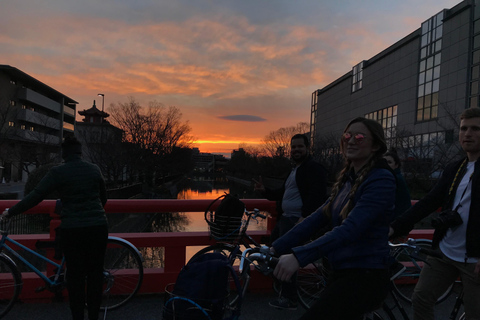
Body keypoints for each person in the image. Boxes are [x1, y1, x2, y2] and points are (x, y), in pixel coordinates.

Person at [271, 117, 396, 319]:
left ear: (375, 145)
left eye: (360, 136)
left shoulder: (381, 179)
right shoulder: (349, 178)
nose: (351, 140)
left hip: (365, 276)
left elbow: (350, 229)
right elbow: (319, 217)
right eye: (347, 135)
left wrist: (298, 257)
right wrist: (275, 247)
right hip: (341, 272)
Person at [1, 136, 108, 320]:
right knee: (95, 275)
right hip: (98, 226)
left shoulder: (58, 172)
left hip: (73, 229)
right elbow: (103, 198)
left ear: (64, 153)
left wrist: (11, 212)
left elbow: (36, 195)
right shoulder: (94, 169)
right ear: (80, 152)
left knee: (75, 278)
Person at [390, 107, 480, 320]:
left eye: (476, 128)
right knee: (420, 298)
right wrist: (395, 226)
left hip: (475, 259)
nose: (468, 133)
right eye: (464, 128)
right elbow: (429, 202)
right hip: (445, 252)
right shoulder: (455, 168)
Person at [253, 133, 328, 310]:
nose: (295, 150)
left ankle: (290, 298)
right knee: (273, 252)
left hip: (297, 220)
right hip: (285, 218)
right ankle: (282, 286)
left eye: (300, 146)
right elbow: (282, 193)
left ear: (308, 148)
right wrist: (264, 191)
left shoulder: (314, 168)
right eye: (293, 147)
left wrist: (305, 217)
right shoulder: (295, 169)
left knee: (286, 257)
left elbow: (317, 195)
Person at [384, 149, 412, 219]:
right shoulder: (395, 176)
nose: (386, 165)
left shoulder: (393, 178)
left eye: (389, 162)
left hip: (397, 220)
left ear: (396, 165)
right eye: (384, 162)